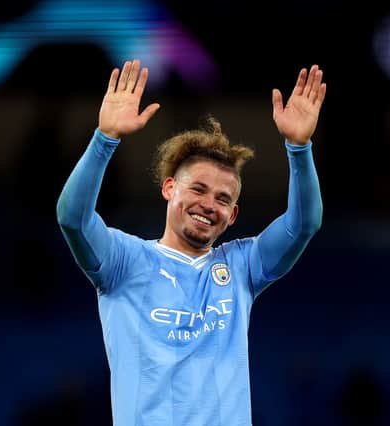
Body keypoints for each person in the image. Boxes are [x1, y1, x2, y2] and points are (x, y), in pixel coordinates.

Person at [56, 59, 325, 426]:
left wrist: (299, 146)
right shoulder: (123, 262)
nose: (208, 205)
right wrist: (105, 140)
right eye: (198, 189)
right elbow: (72, 219)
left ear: (232, 215)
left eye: (222, 199)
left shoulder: (242, 266)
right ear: (169, 188)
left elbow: (303, 224)